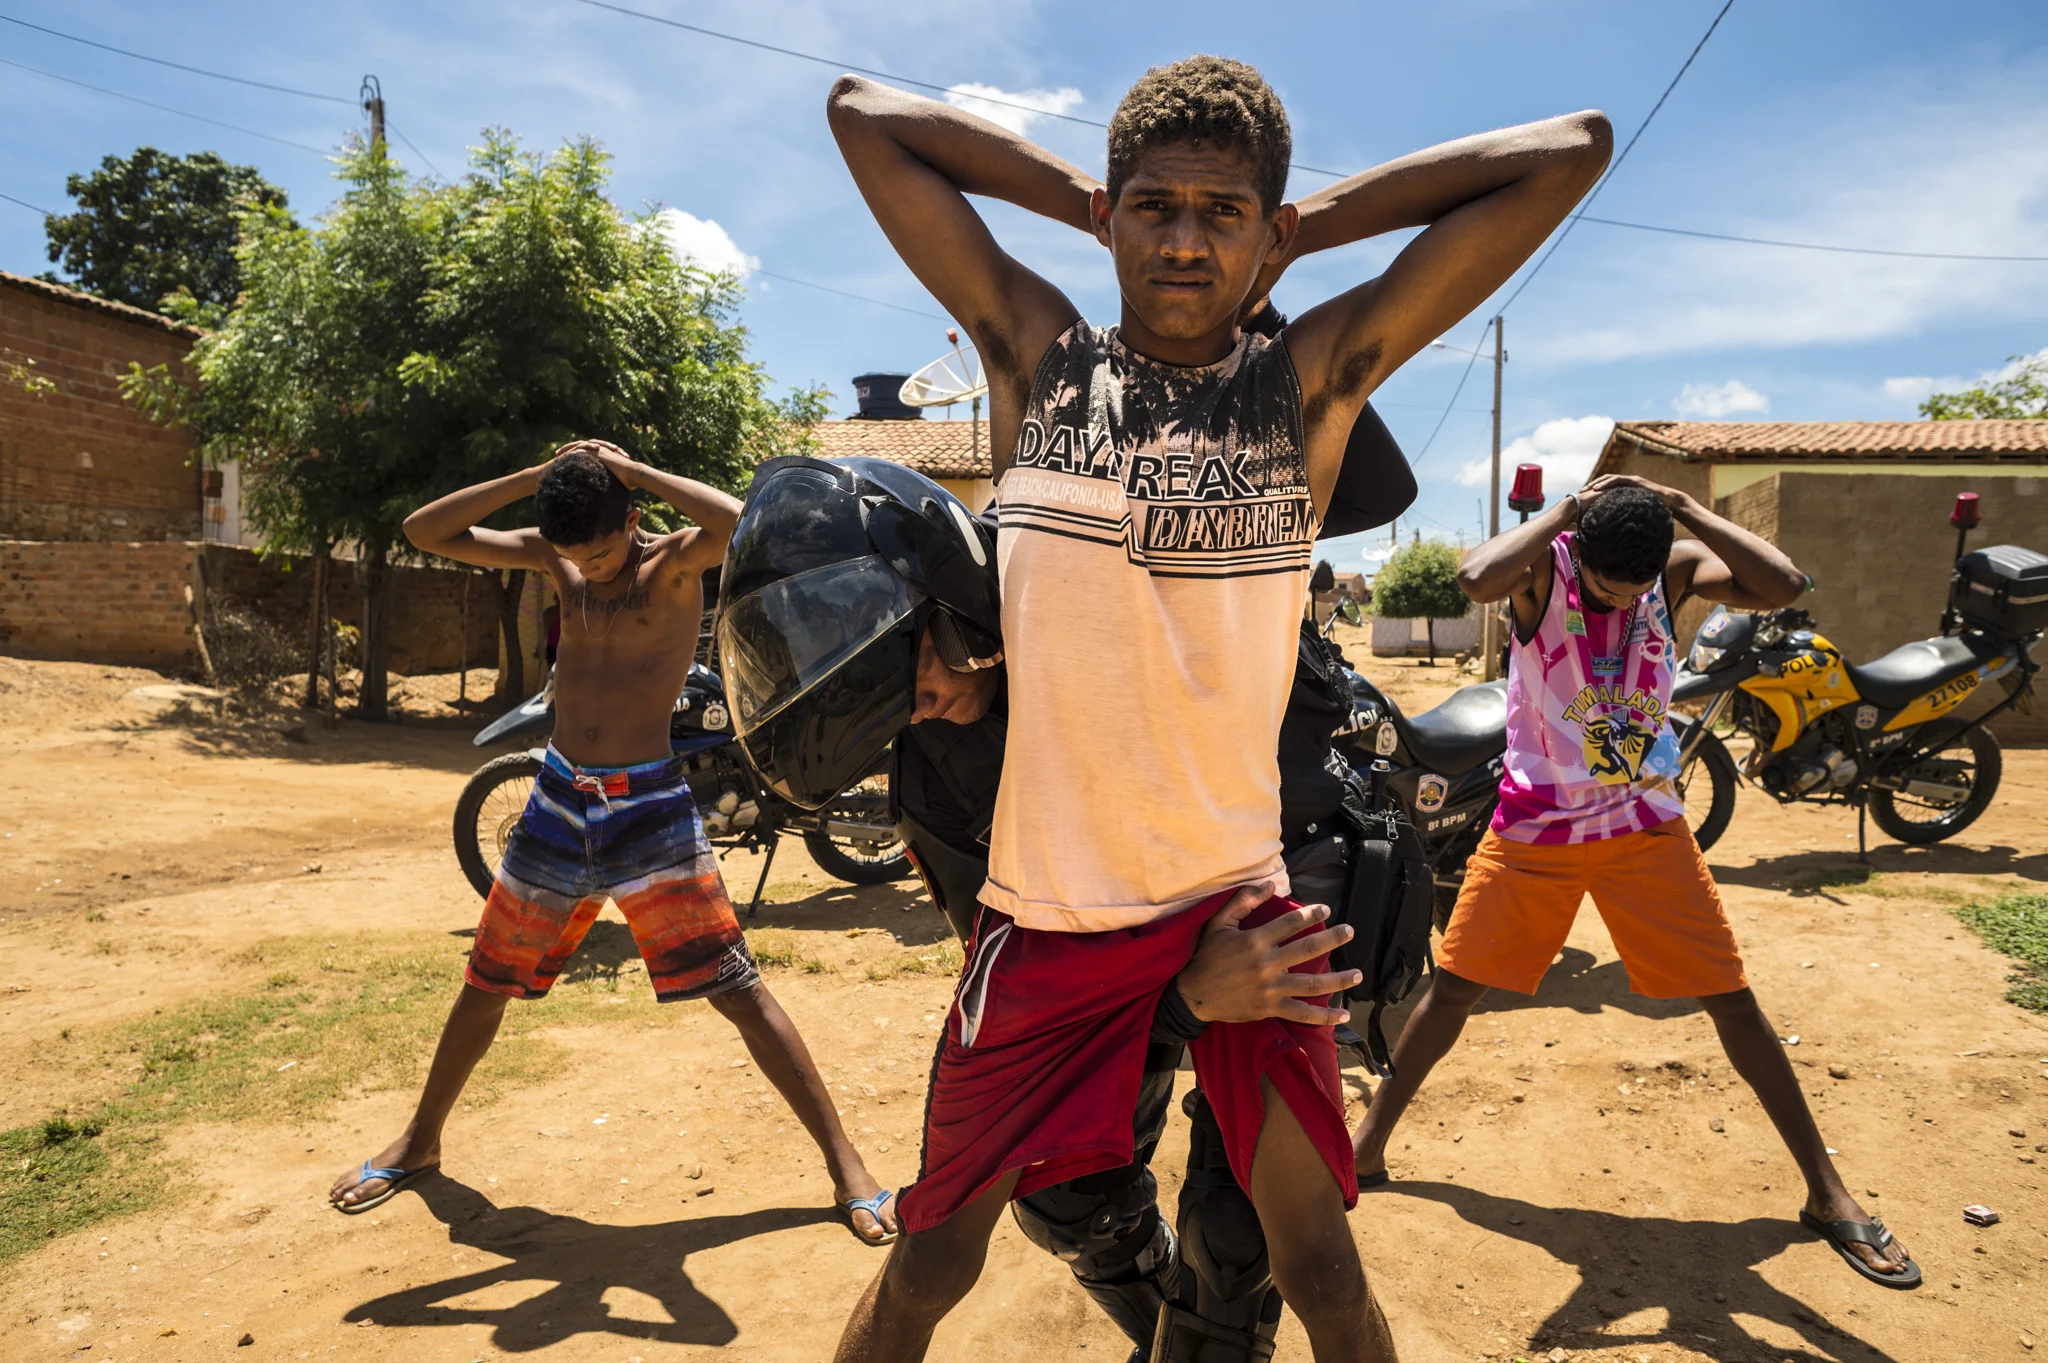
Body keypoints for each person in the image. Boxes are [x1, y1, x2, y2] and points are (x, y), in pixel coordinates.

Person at [826, 53, 1612, 1361]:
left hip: (1243, 908)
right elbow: (865, 117)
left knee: (1322, 1268)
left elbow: (1571, 148)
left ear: (1264, 233)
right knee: (929, 1264)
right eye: (1155, 209)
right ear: (1114, 219)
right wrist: (1085, 192)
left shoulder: (1298, 387)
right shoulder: (1038, 362)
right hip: (1047, 918)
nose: (1185, 242)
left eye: (1221, 214)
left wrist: (1301, 229)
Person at [1348, 474, 1922, 1291]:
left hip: (1643, 829)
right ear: (1578, 555)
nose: (1621, 600)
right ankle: (1367, 1145)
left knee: (1731, 997)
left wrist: (1686, 511)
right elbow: (1474, 579)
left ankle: (1827, 1194)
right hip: (1534, 829)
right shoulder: (1543, 572)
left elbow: (1784, 585)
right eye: (1607, 586)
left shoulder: (1674, 571)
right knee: (1456, 992)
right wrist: (1568, 512)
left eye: (1635, 588)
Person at [327, 441, 899, 1246]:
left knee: (736, 987)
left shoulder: (672, 562)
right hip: (558, 800)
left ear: (631, 520)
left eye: (597, 551)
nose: (585, 569)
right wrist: (537, 478)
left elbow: (747, 525)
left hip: (649, 809)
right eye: (571, 554)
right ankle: (421, 1139)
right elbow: (426, 530)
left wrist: (636, 472)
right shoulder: (553, 557)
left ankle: (847, 1166)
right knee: (487, 976)